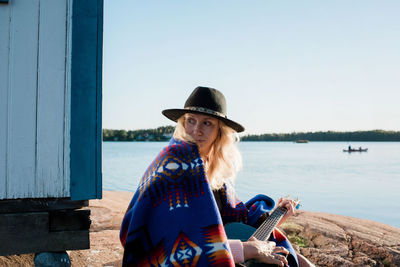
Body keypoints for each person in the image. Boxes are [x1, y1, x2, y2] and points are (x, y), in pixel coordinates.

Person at [120, 86, 314, 267]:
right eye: (191, 120)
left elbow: (232, 222)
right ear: (182, 123)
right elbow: (171, 243)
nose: (196, 130)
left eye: (207, 123)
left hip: (216, 252)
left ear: (219, 132)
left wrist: (276, 217)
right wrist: (245, 249)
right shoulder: (174, 165)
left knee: (296, 258)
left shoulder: (210, 168)